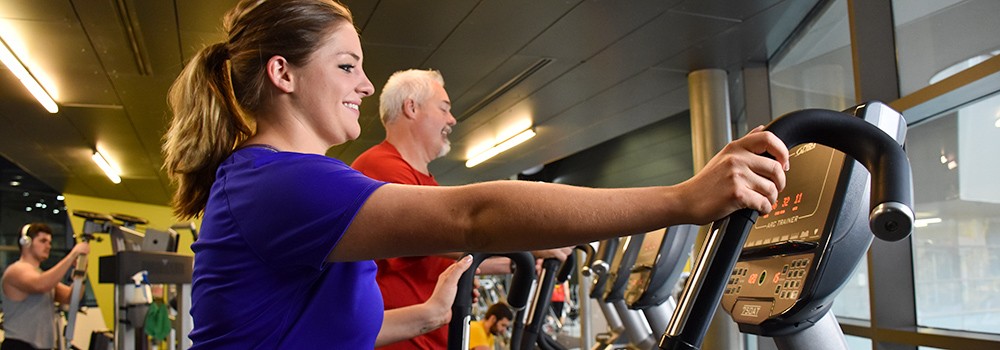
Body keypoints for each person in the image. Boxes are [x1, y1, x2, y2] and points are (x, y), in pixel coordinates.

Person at [161, 0, 789, 348]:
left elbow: (320, 328)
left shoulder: (276, 180)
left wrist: (428, 315)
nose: (366, 83)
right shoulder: (281, 182)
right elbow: (473, 216)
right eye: (348, 65)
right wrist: (683, 198)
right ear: (283, 73)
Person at [352, 68, 570, 350]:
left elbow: (442, 254)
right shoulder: (381, 167)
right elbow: (445, 234)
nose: (452, 119)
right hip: (400, 342)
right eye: (444, 108)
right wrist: (533, 244)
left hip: (431, 338)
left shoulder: (424, 181)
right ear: (411, 107)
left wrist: (518, 262)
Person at [1, 223, 90, 350]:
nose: (48, 246)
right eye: (43, 241)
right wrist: (72, 256)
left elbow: (70, 297)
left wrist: (80, 273)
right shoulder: (16, 271)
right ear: (26, 242)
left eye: (49, 242)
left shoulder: (40, 275)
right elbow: (41, 284)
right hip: (20, 345)